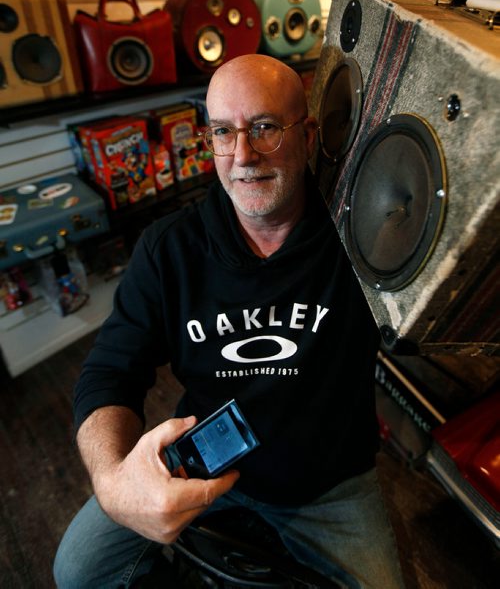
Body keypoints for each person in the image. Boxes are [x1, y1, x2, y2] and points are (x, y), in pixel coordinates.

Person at [54, 54, 405, 589]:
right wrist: (112, 480)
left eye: (265, 128)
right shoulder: (168, 248)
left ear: (307, 134)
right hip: (203, 460)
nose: (243, 156)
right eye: (223, 131)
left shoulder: (365, 244)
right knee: (77, 568)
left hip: (331, 486)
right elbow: (109, 373)